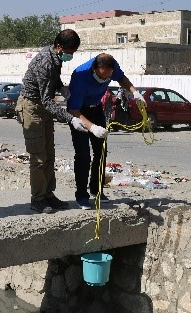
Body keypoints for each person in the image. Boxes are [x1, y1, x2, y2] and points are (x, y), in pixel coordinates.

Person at [17, 29, 84, 214]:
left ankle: (48, 194)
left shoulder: (55, 57)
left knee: (49, 154)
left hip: (42, 107)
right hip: (32, 107)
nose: (71, 55)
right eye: (69, 51)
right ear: (59, 46)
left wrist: (61, 88)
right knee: (38, 157)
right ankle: (37, 198)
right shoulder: (46, 61)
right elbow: (47, 101)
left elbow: (52, 81)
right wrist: (70, 119)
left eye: (74, 52)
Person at [67, 53, 145, 210]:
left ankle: (97, 190)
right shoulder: (80, 76)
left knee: (101, 152)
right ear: (95, 69)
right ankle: (82, 196)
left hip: (96, 109)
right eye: (102, 77)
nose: (104, 81)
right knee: (83, 155)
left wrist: (134, 92)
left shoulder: (112, 65)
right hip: (78, 113)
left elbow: (121, 79)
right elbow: (73, 109)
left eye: (107, 78)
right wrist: (92, 127)